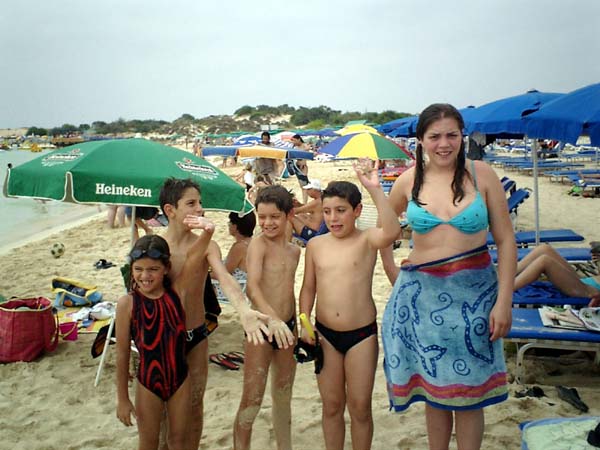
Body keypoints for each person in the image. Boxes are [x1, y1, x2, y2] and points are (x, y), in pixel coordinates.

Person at [380, 103, 516, 450]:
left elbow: (505, 239)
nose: (444, 143)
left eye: (451, 135)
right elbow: (385, 228)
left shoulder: (482, 175)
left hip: (475, 299)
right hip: (422, 300)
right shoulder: (409, 180)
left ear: (462, 136)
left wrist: (504, 302)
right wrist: (391, 268)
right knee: (433, 390)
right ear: (421, 140)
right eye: (434, 136)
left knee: (470, 395)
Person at [158, 177, 273, 450]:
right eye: (191, 203)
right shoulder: (158, 247)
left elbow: (225, 278)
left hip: (197, 335)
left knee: (196, 405)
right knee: (166, 409)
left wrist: (244, 310)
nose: (200, 209)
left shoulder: (209, 245)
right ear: (170, 210)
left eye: (200, 203)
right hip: (165, 337)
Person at [298, 160, 401, 450]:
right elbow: (308, 289)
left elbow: (392, 231)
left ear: (356, 211)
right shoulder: (316, 245)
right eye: (327, 211)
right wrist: (305, 324)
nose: (333, 218)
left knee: (359, 408)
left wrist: (375, 189)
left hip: (361, 336)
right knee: (331, 406)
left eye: (341, 210)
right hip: (325, 335)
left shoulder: (368, 239)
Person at [115, 221, 213, 450]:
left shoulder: (176, 294)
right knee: (148, 443)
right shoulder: (127, 304)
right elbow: (121, 353)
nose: (145, 276)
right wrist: (122, 398)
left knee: (179, 441)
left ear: (166, 268)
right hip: (148, 382)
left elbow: (193, 258)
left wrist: (208, 231)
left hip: (180, 380)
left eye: (153, 269)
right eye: (138, 269)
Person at [233, 185, 300, 450]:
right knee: (252, 400)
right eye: (262, 217)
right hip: (262, 328)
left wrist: (295, 324)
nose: (267, 223)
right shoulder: (258, 245)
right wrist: (273, 319)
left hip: (287, 327)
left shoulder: (294, 251)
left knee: (283, 396)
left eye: (274, 217)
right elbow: (253, 287)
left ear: (287, 215)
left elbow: (288, 290)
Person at [514, 244, 600, 306]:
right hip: (587, 282)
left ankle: (504, 290)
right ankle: (505, 276)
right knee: (544, 249)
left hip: (589, 291)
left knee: (545, 261)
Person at [224, 210, 256, 277]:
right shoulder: (254, 242)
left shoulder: (239, 247)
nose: (229, 225)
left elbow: (224, 273)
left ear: (235, 226)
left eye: (230, 222)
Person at [290, 134, 310, 203]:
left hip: (303, 167)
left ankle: (305, 202)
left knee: (305, 185)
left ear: (299, 139)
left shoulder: (304, 145)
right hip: (296, 167)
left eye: (295, 140)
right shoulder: (294, 147)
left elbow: (308, 149)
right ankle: (304, 201)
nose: (294, 142)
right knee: (302, 186)